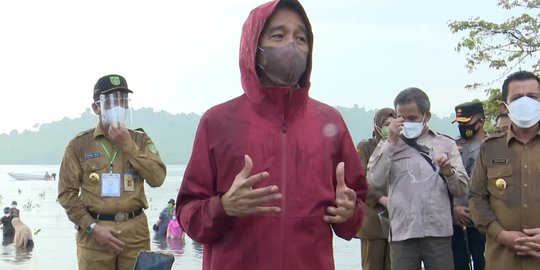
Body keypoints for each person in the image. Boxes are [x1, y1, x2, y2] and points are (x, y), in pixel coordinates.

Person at [176, 1, 367, 269]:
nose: (292, 45)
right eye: (279, 36)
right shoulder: (218, 121)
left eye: (300, 38)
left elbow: (355, 211)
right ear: (255, 48)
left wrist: (349, 213)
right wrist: (224, 207)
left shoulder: (329, 121)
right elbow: (187, 214)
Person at [57, 74, 167, 270]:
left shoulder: (140, 140)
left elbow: (157, 179)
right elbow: (66, 194)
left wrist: (128, 146)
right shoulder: (79, 145)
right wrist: (92, 227)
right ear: (96, 107)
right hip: (94, 235)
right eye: (111, 100)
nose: (119, 105)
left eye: (123, 100)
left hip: (135, 234)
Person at [367, 87, 469, 270]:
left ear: (426, 116)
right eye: (401, 117)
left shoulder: (446, 144)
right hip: (402, 233)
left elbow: (463, 189)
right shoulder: (387, 144)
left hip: (438, 233)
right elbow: (373, 181)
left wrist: (448, 172)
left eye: (412, 118)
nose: (406, 122)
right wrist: (390, 143)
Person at [469, 70, 540, 269]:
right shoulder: (490, 147)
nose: (526, 102)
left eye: (533, 97)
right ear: (505, 106)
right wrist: (500, 233)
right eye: (517, 98)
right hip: (503, 259)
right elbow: (476, 197)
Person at [356, 108, 396, 270]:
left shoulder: (400, 147)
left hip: (397, 219)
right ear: (377, 125)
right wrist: (381, 198)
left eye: (393, 124)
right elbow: (360, 180)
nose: (390, 128)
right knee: (372, 264)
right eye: (386, 124)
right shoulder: (365, 147)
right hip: (372, 218)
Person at [452, 100, 486, 270]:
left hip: (485, 221)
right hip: (456, 220)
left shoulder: (493, 145)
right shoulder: (451, 146)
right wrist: (453, 208)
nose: (462, 127)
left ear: (480, 121)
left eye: (466, 123)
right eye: (459, 123)